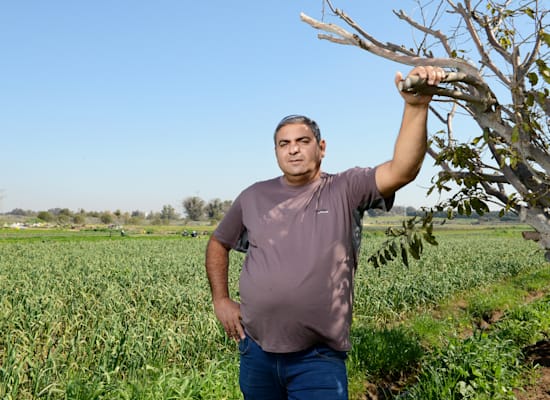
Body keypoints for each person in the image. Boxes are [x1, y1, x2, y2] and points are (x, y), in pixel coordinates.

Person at [205, 66, 445, 399]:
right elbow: (218, 242)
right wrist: (220, 300)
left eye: (302, 141)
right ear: (275, 151)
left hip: (317, 359)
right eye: (283, 144)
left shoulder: (345, 188)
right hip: (255, 353)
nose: (293, 150)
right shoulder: (253, 196)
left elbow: (402, 170)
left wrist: (415, 108)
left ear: (322, 147)